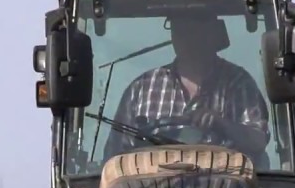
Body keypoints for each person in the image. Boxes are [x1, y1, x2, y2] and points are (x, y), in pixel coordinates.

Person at [102, 10, 271, 161]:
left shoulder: (238, 84)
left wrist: (221, 123)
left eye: (195, 28)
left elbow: (258, 141)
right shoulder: (142, 89)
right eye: (179, 27)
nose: (186, 37)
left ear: (213, 32)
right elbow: (114, 157)